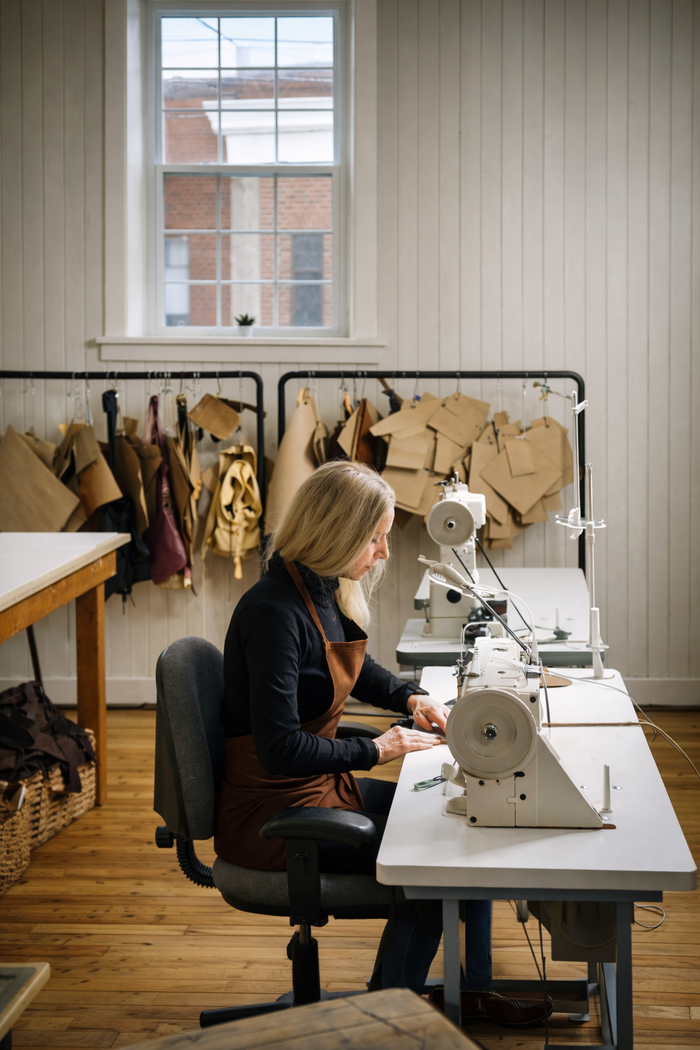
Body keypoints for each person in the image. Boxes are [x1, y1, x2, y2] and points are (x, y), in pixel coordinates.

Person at [215, 460, 550, 1027]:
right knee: (431, 867)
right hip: (274, 811)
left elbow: (353, 665)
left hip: (315, 787)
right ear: (337, 534)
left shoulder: (315, 589)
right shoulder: (274, 613)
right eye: (376, 538)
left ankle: (474, 992)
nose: (385, 552)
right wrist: (377, 749)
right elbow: (279, 751)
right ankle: (382, 1021)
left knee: (464, 825)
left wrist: (410, 697)